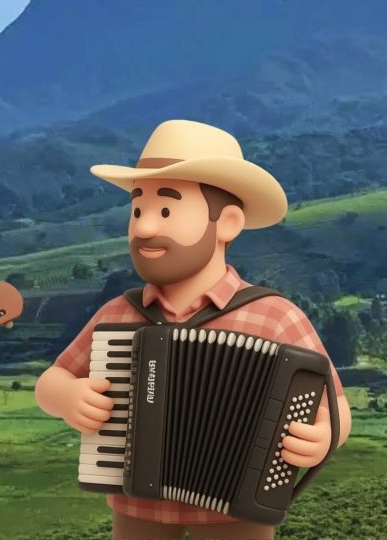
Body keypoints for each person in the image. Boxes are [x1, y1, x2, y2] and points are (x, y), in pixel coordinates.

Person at [34, 119, 352, 540]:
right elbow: (51, 380)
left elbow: (336, 402)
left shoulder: (274, 316)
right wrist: (65, 396)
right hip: (136, 503)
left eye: (165, 210)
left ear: (228, 223)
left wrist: (325, 435)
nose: (145, 228)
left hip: (237, 509)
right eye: (137, 210)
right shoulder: (120, 314)